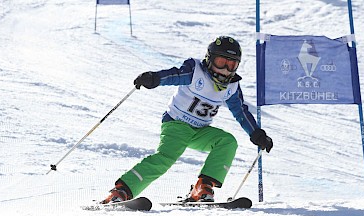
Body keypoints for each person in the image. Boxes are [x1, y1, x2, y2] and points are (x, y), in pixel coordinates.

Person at [102, 36, 273, 204]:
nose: (225, 70)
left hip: (200, 131)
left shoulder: (232, 86)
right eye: (222, 62)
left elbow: (240, 112)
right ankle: (121, 191)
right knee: (165, 158)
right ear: (210, 59)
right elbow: (174, 75)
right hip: (177, 124)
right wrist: (154, 78)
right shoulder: (195, 71)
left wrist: (256, 134)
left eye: (231, 65)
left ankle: (202, 187)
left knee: (227, 142)